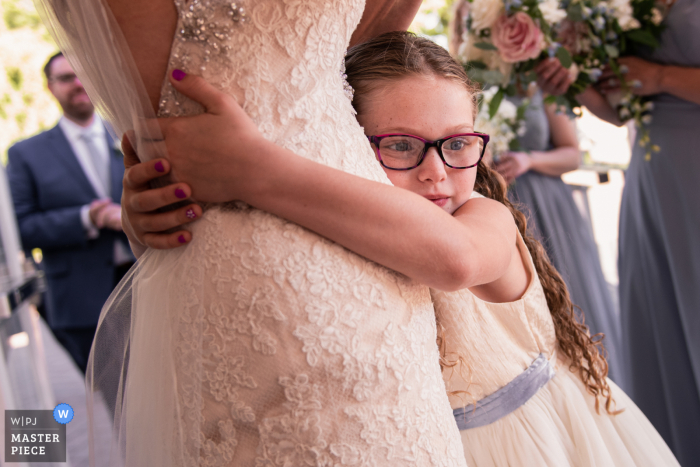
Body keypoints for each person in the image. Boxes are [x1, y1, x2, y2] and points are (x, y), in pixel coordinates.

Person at [123, 31, 680, 467]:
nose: (437, 173)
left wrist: (250, 168)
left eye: (458, 143)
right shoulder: (351, 223)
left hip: (533, 444)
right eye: (401, 146)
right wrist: (149, 215)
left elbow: (454, 260)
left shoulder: (485, 218)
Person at [34, 0, 469, 465]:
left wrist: (241, 170)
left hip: (365, 253)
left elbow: (357, 56)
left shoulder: (472, 217)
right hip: (250, 278)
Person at [448, 0, 626, 389]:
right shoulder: (457, 89)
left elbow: (571, 154)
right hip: (491, 207)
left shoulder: (536, 83)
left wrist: (529, 160)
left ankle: (587, 384)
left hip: (546, 207)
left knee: (567, 303)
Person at [571, 1, 700, 463]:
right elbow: (621, 107)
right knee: (660, 314)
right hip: (651, 168)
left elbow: (652, 76)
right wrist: (573, 79)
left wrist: (661, 77)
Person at [6, 52, 133, 373]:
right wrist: (86, 219)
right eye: (65, 78)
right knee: (117, 398)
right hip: (82, 298)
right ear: (50, 87)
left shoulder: (129, 134)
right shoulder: (26, 154)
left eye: (82, 74)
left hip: (147, 280)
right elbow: (20, 228)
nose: (77, 84)